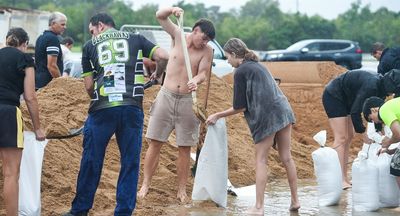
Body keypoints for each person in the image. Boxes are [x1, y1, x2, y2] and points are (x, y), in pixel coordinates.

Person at [63, 13, 168, 215]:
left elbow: (88, 86)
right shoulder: (136, 38)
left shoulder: (89, 46)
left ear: (100, 26)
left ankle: (79, 210)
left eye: (92, 30)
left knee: (91, 160)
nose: (92, 34)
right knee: (130, 162)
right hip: (131, 107)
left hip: (102, 108)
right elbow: (163, 56)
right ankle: (123, 211)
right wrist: (158, 73)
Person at [206, 38, 300, 214]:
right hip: (283, 111)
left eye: (227, 57)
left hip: (267, 116)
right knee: (287, 158)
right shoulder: (258, 65)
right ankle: (295, 201)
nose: (227, 61)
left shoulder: (240, 71)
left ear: (234, 54)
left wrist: (217, 115)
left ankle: (259, 207)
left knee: (261, 160)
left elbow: (239, 107)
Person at [137, 6, 214, 203]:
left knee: (185, 147)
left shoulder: (207, 51)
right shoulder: (177, 35)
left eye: (207, 41)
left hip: (188, 101)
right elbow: (159, 16)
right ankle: (145, 185)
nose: (204, 43)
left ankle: (181, 190)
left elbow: (204, 73)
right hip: (166, 96)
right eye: (203, 38)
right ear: (195, 31)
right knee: (155, 142)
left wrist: (196, 80)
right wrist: (172, 10)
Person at [0, 28, 45, 215]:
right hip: (8, 113)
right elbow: (30, 97)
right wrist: (38, 128)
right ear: (25, 44)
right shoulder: (25, 59)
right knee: (11, 173)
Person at [322, 69, 391, 189]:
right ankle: (339, 180)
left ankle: (344, 177)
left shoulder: (382, 89)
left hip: (348, 98)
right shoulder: (371, 86)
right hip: (334, 95)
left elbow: (376, 112)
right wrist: (363, 133)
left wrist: (379, 131)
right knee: (341, 137)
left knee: (349, 137)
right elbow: (355, 112)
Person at [362, 96, 400, 188]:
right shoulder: (392, 107)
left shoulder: (384, 111)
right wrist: (389, 151)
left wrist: (388, 142)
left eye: (370, 118)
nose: (373, 121)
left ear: (373, 110)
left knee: (396, 165)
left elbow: (398, 134)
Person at [35, 11, 67, 89]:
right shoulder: (52, 39)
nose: (65, 27)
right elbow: (51, 65)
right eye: (62, 24)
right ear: (53, 24)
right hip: (48, 84)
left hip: (38, 82)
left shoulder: (40, 37)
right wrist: (61, 84)